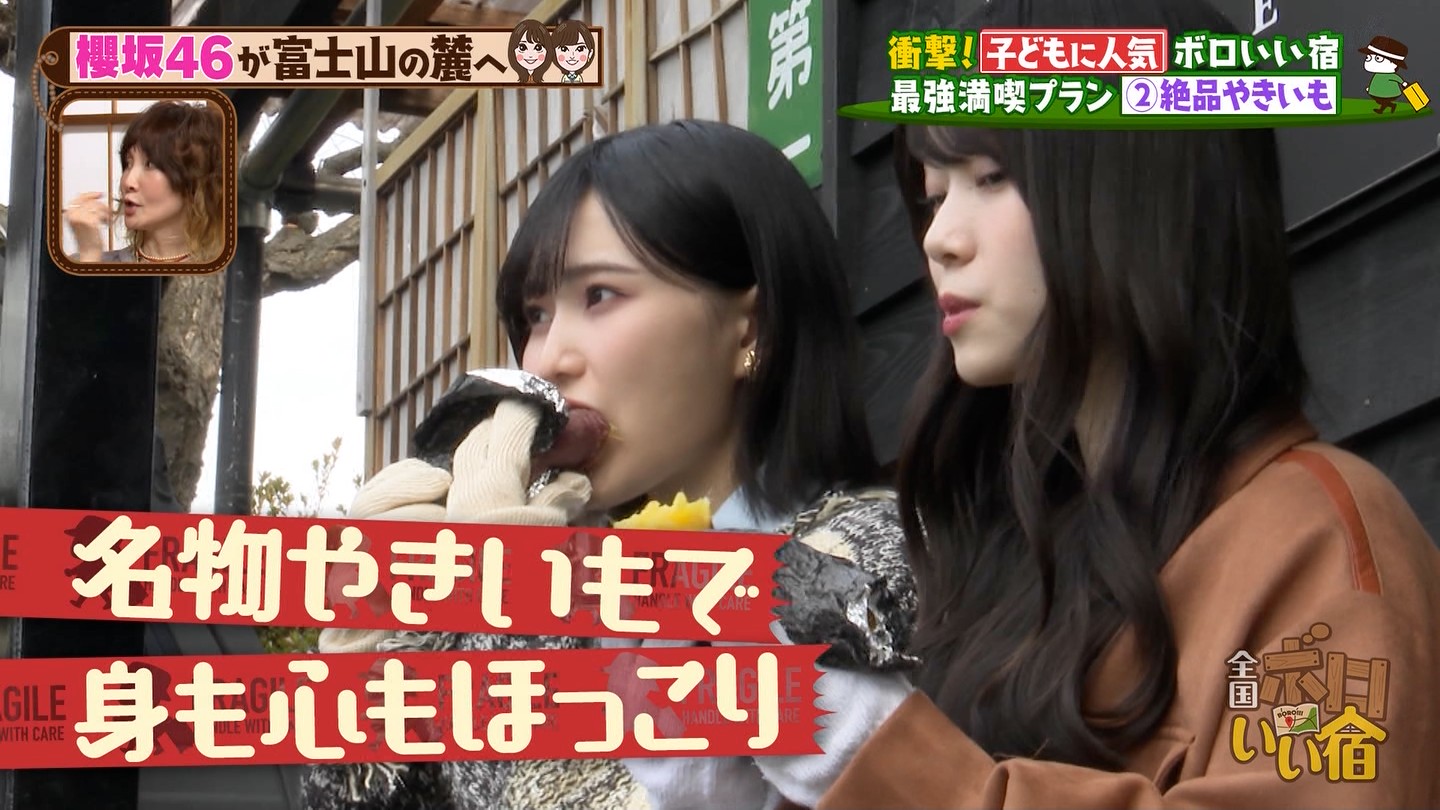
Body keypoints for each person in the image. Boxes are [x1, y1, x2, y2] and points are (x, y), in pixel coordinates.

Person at [815, 0, 1440, 807]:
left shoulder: (1321, 543)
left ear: (1144, 187)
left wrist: (883, 758)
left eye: (993, 177)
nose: (940, 238)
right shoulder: (993, 560)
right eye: (934, 196)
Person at [301, 119, 917, 810]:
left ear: (752, 328)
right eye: (535, 316)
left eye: (598, 295)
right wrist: (370, 657)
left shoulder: (877, 547)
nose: (547, 360)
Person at [63, 99, 226, 264]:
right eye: (128, 164)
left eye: (150, 164)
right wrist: (90, 254)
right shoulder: (86, 260)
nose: (128, 181)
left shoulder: (224, 269)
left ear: (194, 179)